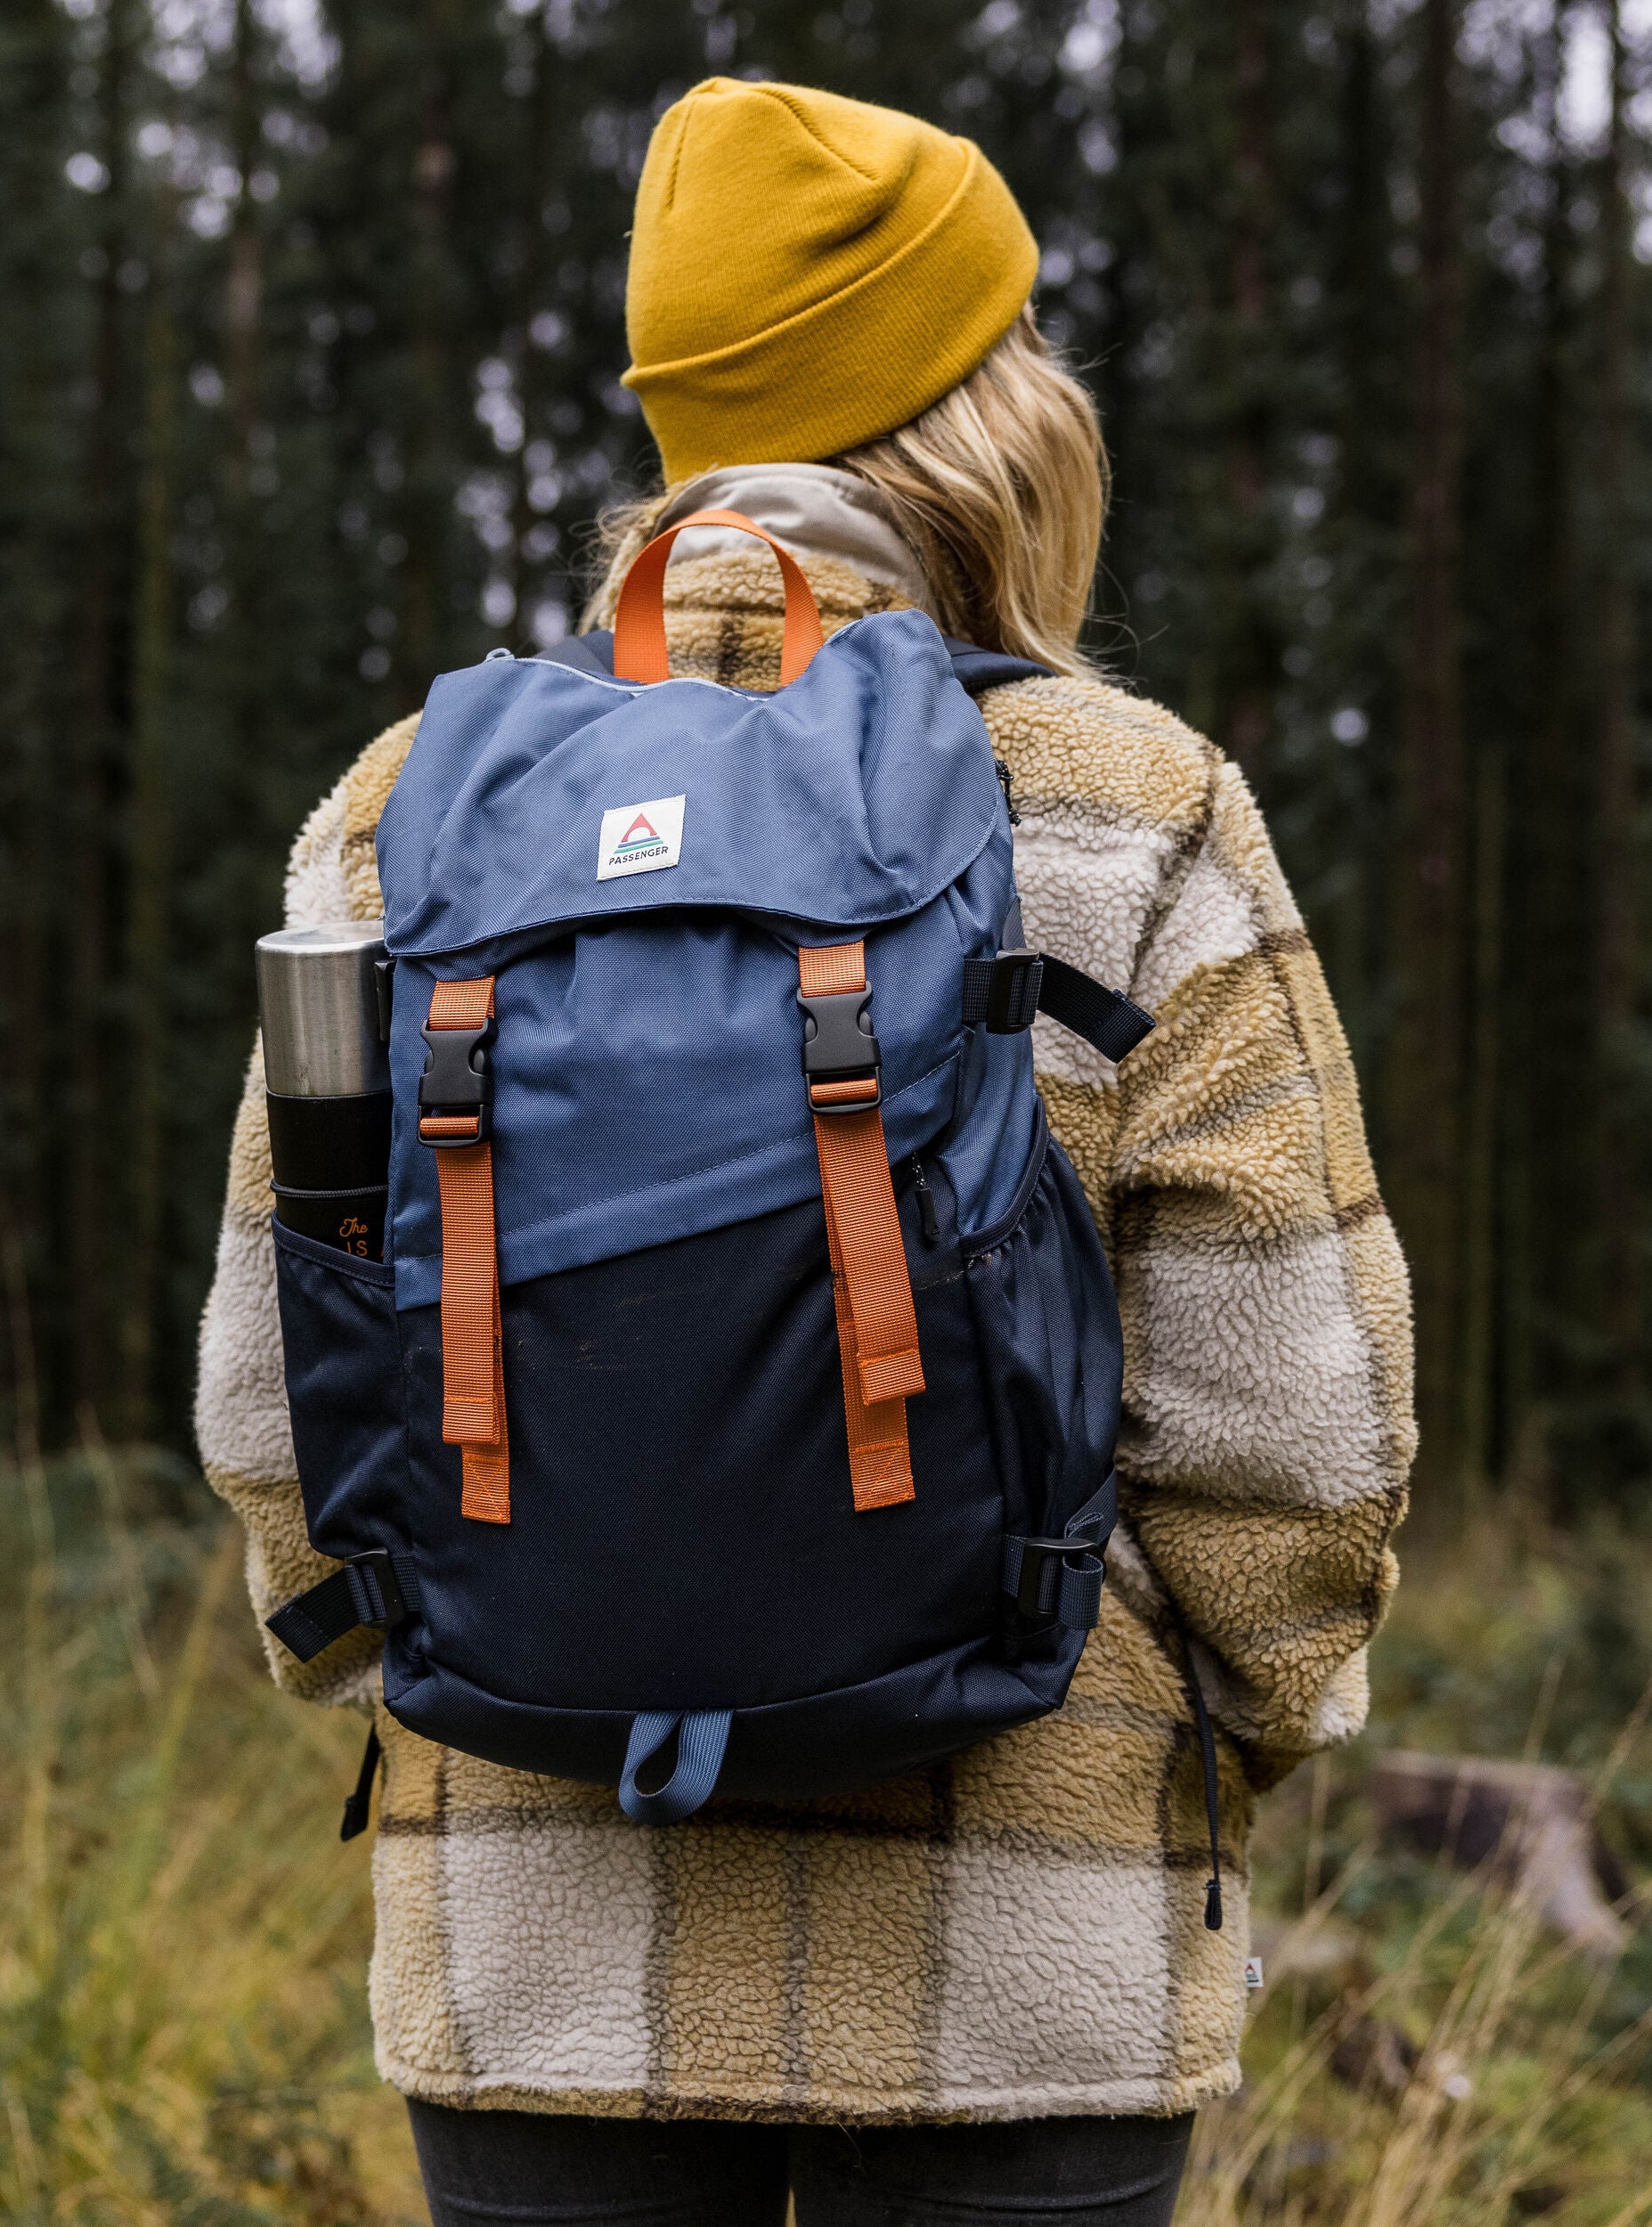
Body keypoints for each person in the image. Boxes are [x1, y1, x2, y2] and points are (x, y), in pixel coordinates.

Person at [197, 77, 1413, 2227]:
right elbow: (1291, 1436)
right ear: (986, 412)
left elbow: (273, 1394)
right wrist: (1196, 1733)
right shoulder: (1134, 807)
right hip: (1027, 1958)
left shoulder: (414, 811)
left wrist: (493, 1655)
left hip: (533, 1943)